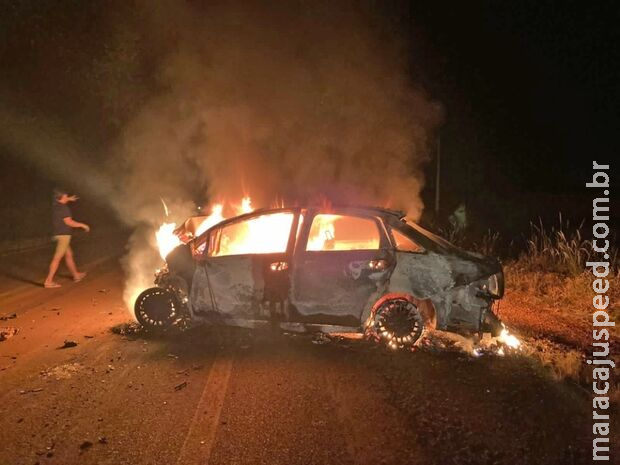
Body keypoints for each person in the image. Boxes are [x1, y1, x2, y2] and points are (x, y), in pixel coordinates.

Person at [43, 189, 90, 288]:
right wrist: (82, 225)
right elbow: (69, 222)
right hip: (64, 236)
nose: (67, 197)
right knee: (57, 258)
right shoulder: (64, 208)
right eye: (65, 196)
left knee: (69, 254)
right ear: (61, 198)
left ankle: (76, 275)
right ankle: (48, 281)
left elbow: (60, 198)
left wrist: (68, 198)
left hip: (58, 234)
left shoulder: (56, 206)